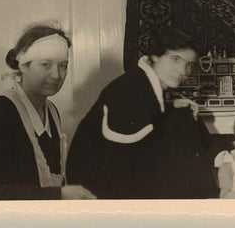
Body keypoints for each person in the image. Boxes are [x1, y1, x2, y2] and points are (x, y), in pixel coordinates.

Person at [0, 24, 96, 200]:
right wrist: (58, 195)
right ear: (23, 66)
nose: (56, 75)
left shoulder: (52, 112)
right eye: (46, 65)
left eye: (63, 66)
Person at [66, 28, 219, 199]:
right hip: (93, 184)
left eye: (189, 65)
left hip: (109, 172)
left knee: (183, 117)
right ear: (155, 56)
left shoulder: (141, 81)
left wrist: (172, 105)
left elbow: (149, 114)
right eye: (176, 59)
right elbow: (120, 159)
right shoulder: (130, 89)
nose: (183, 71)